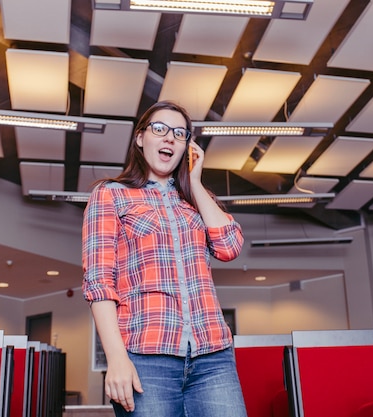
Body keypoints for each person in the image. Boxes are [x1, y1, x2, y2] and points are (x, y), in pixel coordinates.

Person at [82, 100, 248, 417]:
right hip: (146, 356)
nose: (169, 137)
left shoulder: (196, 200)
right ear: (141, 138)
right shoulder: (110, 194)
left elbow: (229, 247)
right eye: (160, 129)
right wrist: (116, 358)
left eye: (180, 133)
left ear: (186, 146)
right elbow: (99, 283)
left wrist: (196, 183)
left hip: (212, 356)